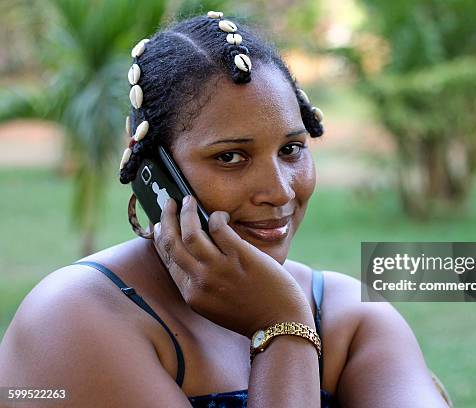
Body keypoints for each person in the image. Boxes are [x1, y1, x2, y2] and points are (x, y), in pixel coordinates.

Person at [0, 11, 451, 408]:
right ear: (155, 174)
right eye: (230, 157)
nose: (278, 191)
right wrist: (283, 328)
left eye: (292, 149)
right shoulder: (76, 319)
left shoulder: (348, 317)